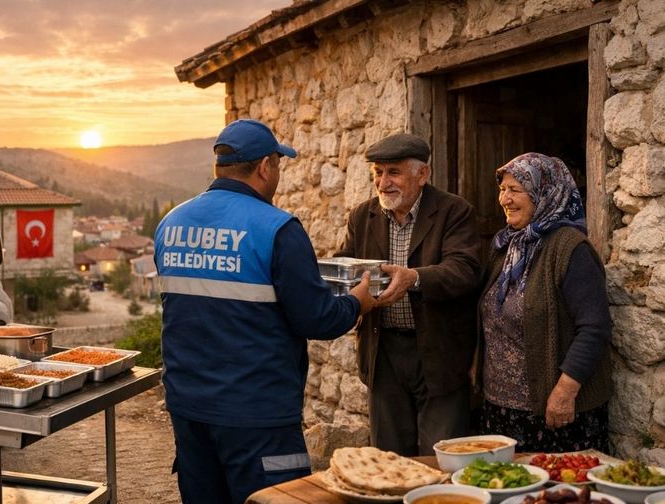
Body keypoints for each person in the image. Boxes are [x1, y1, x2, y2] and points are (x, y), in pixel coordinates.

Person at [154, 118, 380, 504]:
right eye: (278, 163)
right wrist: (360, 299)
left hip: (189, 407)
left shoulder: (170, 223)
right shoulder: (278, 228)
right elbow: (318, 319)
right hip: (257, 415)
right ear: (264, 167)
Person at [335, 132, 481, 456]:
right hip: (382, 350)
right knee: (387, 457)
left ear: (422, 174)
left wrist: (413, 278)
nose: (384, 182)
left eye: (394, 172)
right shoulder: (362, 215)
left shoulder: (454, 211)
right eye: (378, 173)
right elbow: (345, 263)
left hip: (438, 352)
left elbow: (465, 270)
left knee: (441, 457)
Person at [476, 152, 611, 452]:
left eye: (515, 190)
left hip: (554, 414)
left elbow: (595, 328)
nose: (504, 200)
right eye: (502, 189)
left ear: (544, 192)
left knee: (557, 496)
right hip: (501, 410)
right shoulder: (505, 245)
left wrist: (564, 392)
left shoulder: (570, 249)